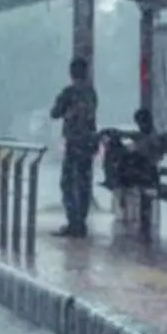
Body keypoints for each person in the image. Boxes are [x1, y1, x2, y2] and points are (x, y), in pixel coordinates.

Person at [49, 57, 99, 237]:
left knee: (68, 183)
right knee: (84, 183)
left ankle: (73, 222)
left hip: (74, 143)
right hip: (89, 143)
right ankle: (82, 221)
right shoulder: (91, 93)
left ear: (71, 73)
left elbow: (54, 113)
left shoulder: (69, 93)